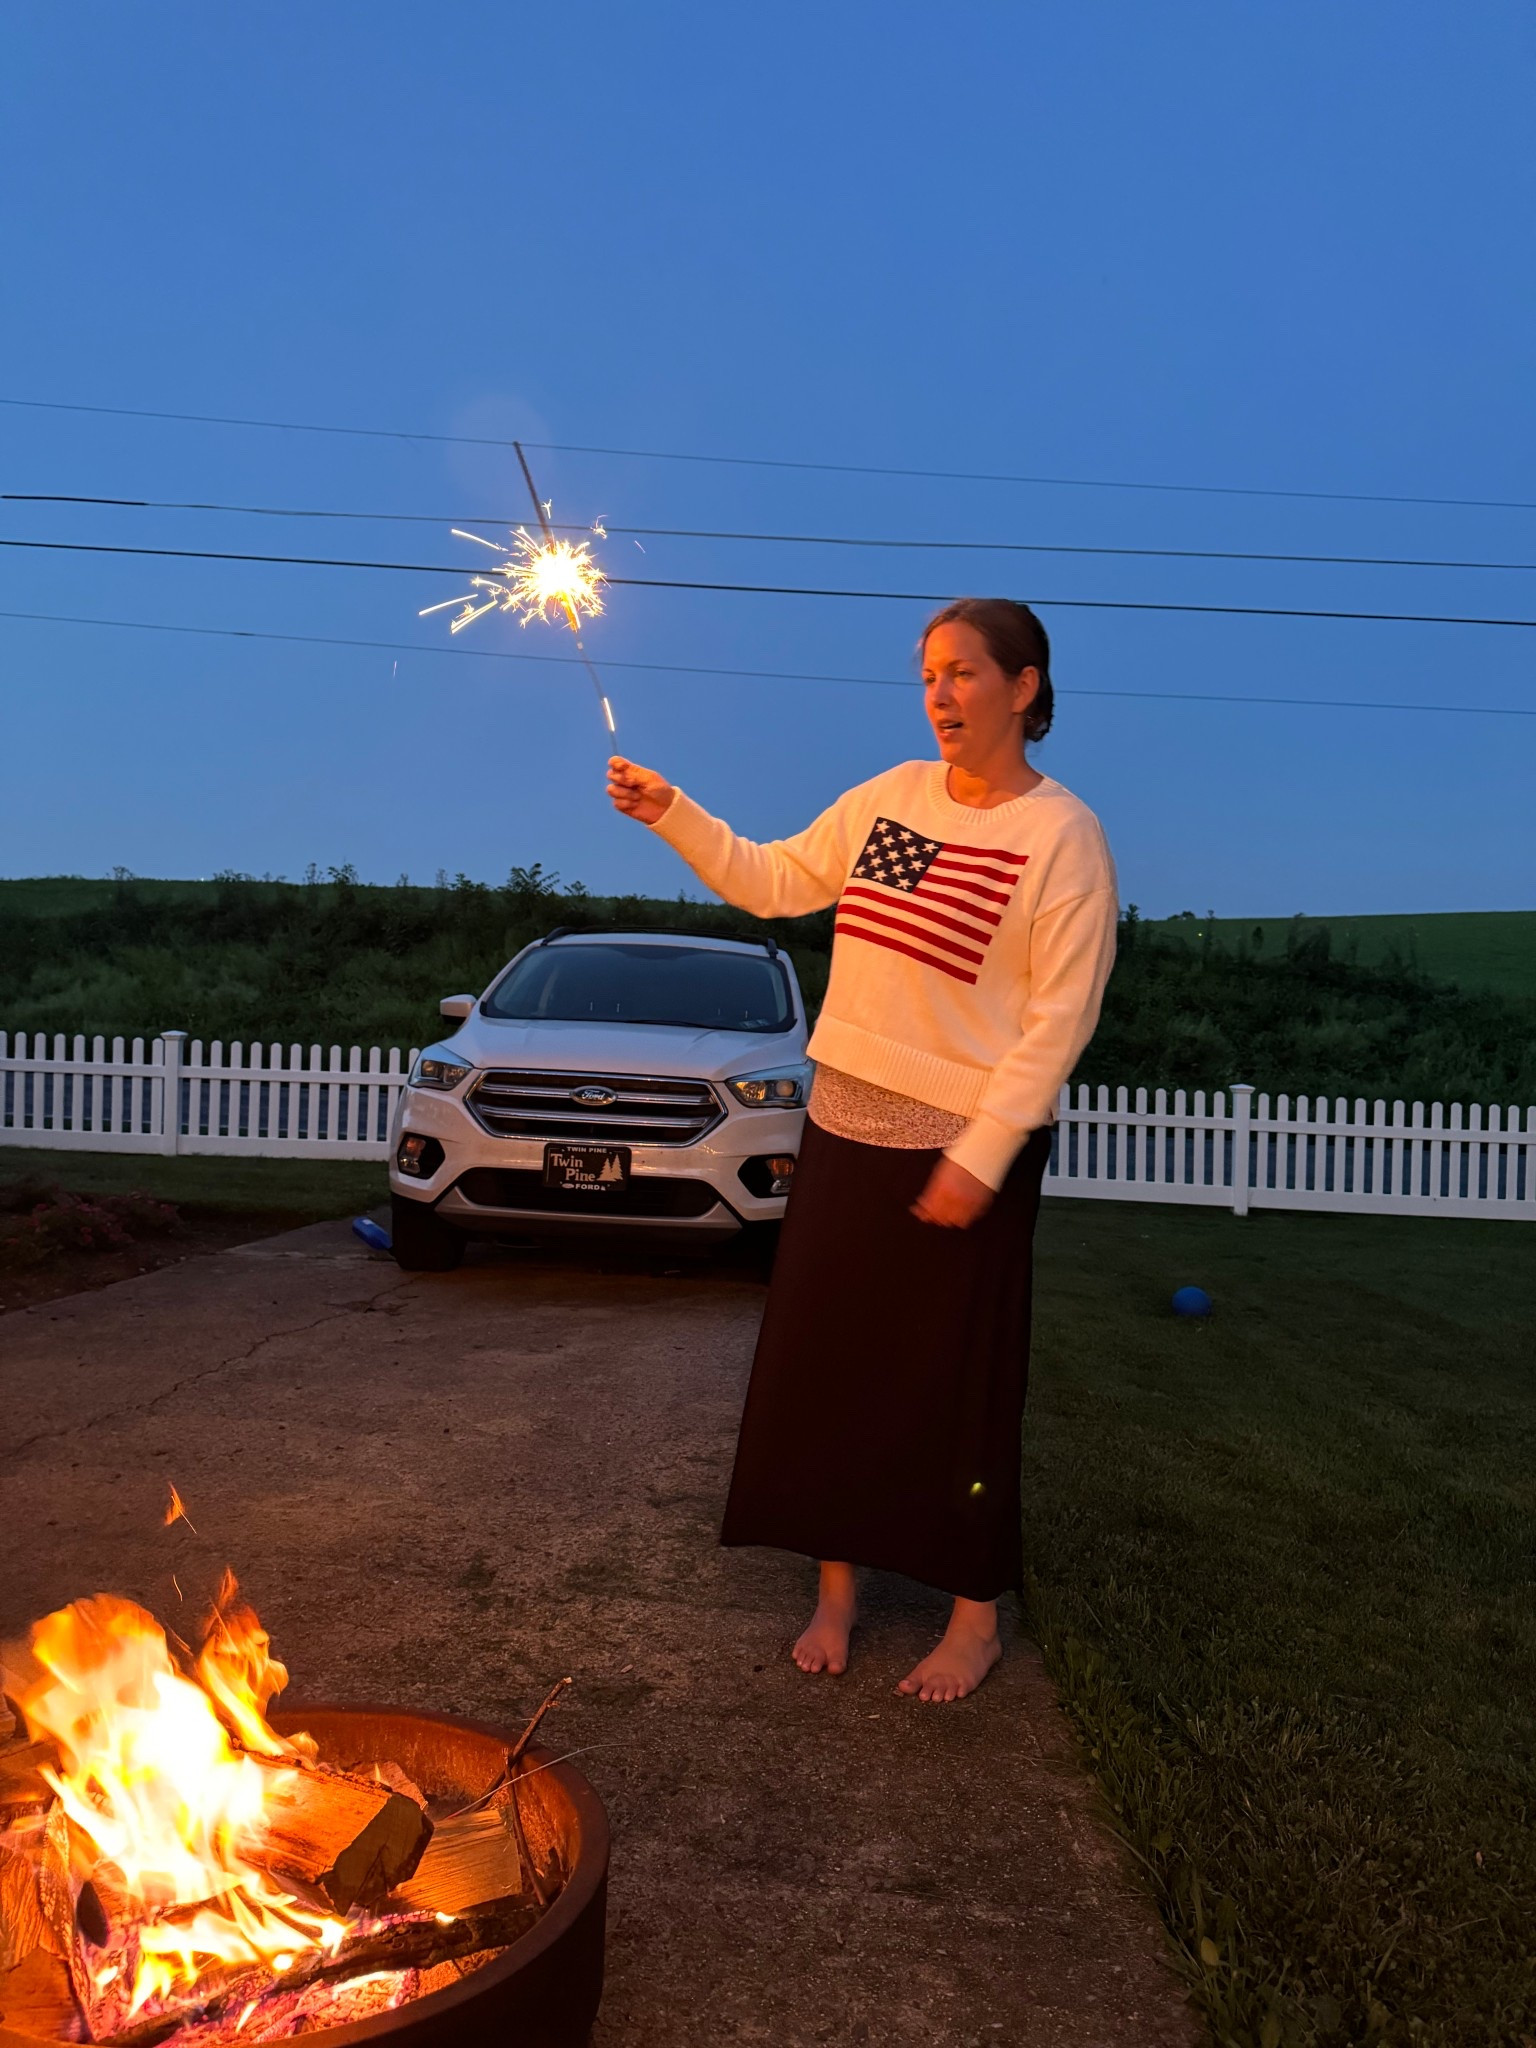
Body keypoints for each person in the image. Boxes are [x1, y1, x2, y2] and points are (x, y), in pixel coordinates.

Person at [607, 598, 1117, 1703]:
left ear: (1024, 688)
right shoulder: (890, 797)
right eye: (928, 674)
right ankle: (835, 1591)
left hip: (965, 1150)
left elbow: (1060, 1017)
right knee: (827, 1367)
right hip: (842, 1122)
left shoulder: (1061, 836)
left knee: (956, 1386)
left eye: (964, 673)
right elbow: (774, 877)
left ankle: (972, 1615)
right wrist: (672, 812)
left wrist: (981, 1153)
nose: (939, 693)